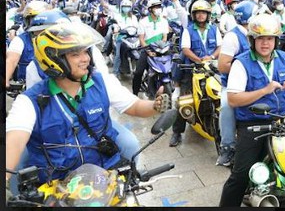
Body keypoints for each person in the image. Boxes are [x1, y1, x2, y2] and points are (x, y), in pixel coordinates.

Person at [5, 22, 171, 190]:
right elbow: (14, 142)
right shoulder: (28, 102)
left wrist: (155, 105)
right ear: (54, 59)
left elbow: (134, 106)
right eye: (76, 54)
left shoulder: (101, 82)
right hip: (57, 186)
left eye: (86, 52)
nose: (86, 58)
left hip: (105, 175)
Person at [218, 14, 285, 207]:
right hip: (253, 122)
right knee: (240, 175)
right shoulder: (241, 63)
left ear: (276, 40)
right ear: (253, 40)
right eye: (261, 38)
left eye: (270, 38)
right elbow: (233, 99)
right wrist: (264, 90)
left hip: (283, 119)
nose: (266, 43)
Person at [170, 0, 222, 147]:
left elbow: (219, 47)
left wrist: (211, 57)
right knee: (184, 100)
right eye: (198, 13)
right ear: (194, 15)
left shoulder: (214, 29)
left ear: (208, 15)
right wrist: (198, 60)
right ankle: (177, 132)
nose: (201, 16)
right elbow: (185, 49)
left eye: (203, 13)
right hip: (191, 69)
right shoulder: (188, 30)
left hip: (211, 69)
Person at [215, 0, 258, 167]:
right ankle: (227, 146)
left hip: (257, 83)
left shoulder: (258, 34)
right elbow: (223, 65)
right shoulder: (233, 36)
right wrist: (245, 69)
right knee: (226, 105)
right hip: (235, 86)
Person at [5, 0, 49, 86]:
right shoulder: (20, 40)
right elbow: (11, 60)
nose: (37, 23)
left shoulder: (57, 38)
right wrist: (5, 79)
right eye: (33, 19)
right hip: (27, 85)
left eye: (40, 19)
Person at [132, 0, 170, 97]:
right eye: (156, 7)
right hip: (148, 49)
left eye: (159, 7)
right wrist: (148, 50)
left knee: (170, 68)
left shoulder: (164, 21)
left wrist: (162, 47)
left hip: (162, 49)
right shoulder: (143, 22)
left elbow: (165, 37)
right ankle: (135, 94)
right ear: (150, 9)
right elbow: (141, 39)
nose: (158, 9)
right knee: (138, 72)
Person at [102, 0, 139, 80]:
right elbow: (115, 24)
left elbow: (137, 27)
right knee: (118, 55)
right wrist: (116, 29)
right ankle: (115, 72)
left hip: (132, 37)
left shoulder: (134, 17)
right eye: (124, 6)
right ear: (121, 7)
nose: (126, 8)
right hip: (121, 37)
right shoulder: (118, 16)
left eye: (128, 6)